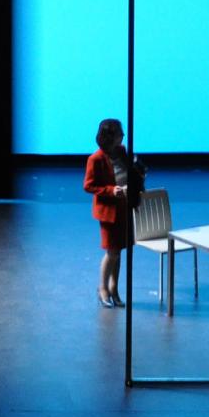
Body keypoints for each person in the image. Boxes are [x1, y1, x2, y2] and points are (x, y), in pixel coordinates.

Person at [84, 118, 133, 308]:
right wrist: (111, 190)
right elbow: (89, 186)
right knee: (112, 251)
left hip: (124, 207)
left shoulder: (121, 151)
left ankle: (114, 288)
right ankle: (103, 288)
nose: (123, 136)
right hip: (108, 211)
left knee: (118, 251)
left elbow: (127, 171)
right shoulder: (95, 159)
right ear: (109, 137)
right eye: (119, 133)